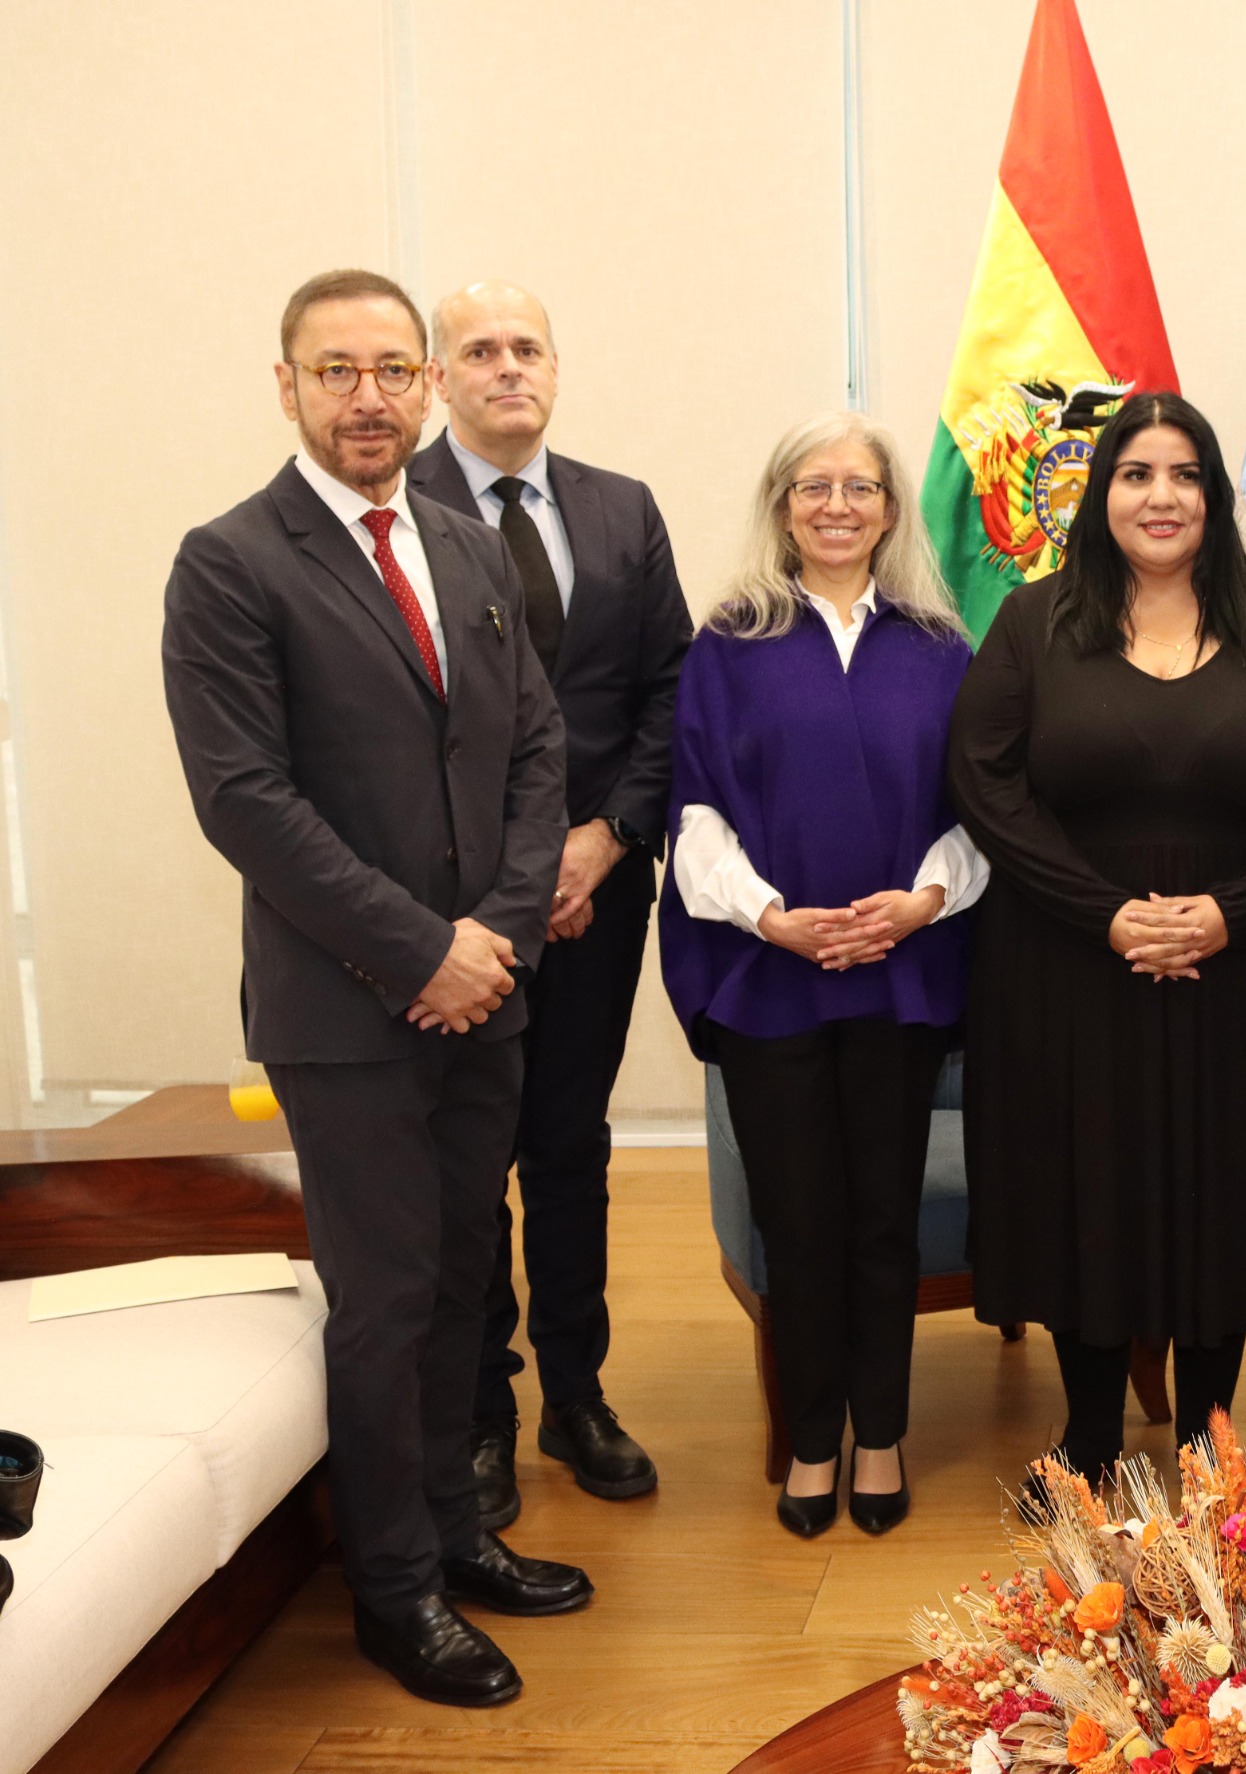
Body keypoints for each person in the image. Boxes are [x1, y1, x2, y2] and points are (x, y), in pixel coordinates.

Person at [162, 269, 589, 1708]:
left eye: (394, 370)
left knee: (466, 1279)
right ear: (285, 385)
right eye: (336, 370)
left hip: (486, 993)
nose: (369, 397)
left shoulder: (468, 546)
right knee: (386, 1296)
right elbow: (246, 801)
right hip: (347, 1015)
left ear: (428, 386)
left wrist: (496, 939)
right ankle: (394, 1589)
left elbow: (537, 753)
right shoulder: (230, 563)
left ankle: (459, 1534)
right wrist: (422, 951)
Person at [947, 393, 1246, 1479]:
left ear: (1214, 497)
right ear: (1103, 494)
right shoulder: (1034, 622)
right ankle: (1089, 1444)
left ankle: (1206, 1446)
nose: (1161, 496)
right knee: (1083, 1189)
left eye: (1184, 474)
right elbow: (983, 782)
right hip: (1066, 964)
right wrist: (1105, 912)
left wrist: (1232, 911)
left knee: (1224, 1190)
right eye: (1137, 474)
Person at [659, 413, 980, 1538]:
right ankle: (811, 1439)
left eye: (860, 487)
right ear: (782, 505)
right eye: (814, 486)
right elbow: (693, 813)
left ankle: (880, 1433)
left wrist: (923, 900)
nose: (837, 505)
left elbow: (980, 810)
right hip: (773, 979)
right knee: (799, 1223)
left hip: (902, 975)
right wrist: (771, 918)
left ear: (891, 511)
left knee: (883, 1217)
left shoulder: (940, 649)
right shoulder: (729, 644)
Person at [409, 280, 693, 1525]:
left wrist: (609, 838)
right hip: (459, 911)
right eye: (480, 350)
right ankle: (482, 1409)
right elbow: (401, 727)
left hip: (599, 889)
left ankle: (577, 1395)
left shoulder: (621, 509)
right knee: (468, 1157)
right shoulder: (397, 509)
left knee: (570, 1145)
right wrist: (524, 878)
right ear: (439, 379)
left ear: (557, 368)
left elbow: (671, 690)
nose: (508, 367)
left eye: (527, 347)